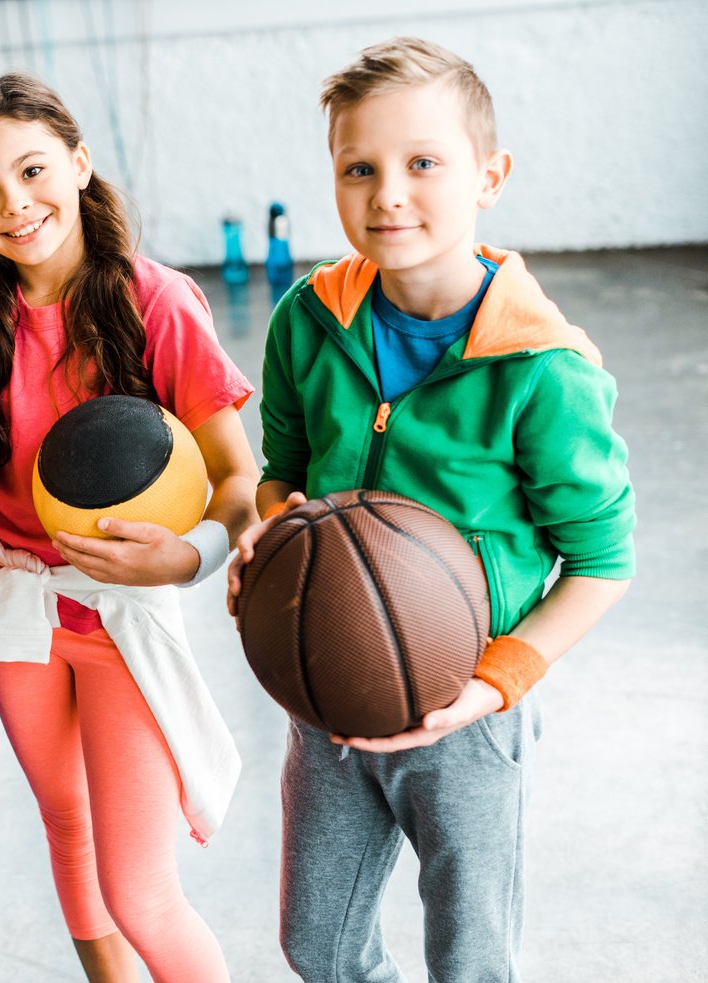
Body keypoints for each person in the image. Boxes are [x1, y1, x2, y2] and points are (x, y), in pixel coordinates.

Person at [226, 37, 636, 982]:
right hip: (326, 675)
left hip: (470, 703)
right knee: (316, 944)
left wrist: (495, 684)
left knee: (471, 954)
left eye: (423, 164)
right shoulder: (306, 320)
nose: (388, 194)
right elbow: (280, 473)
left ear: (489, 175)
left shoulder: (545, 370)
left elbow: (605, 562)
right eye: (358, 168)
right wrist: (273, 534)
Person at [0, 72, 259, 983]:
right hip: (14, 609)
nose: (15, 205)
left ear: (78, 162)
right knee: (66, 827)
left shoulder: (157, 302)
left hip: (120, 615)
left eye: (33, 170)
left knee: (140, 891)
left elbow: (241, 479)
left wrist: (189, 557)